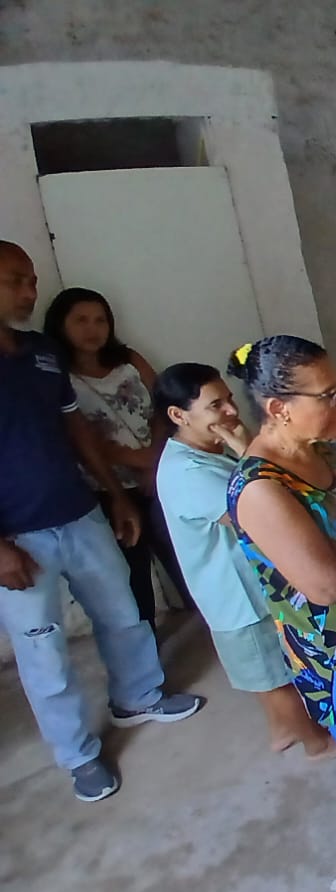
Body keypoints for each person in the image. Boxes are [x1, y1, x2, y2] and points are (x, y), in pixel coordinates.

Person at [0, 240, 204, 803]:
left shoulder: (41, 353)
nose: (28, 291)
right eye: (15, 280)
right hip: (18, 535)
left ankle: (139, 696)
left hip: (79, 511)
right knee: (43, 652)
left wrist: (114, 496)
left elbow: (77, 430)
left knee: (123, 612)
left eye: (31, 279)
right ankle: (78, 756)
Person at [226, 335, 336, 872]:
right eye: (328, 395)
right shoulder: (260, 488)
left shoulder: (328, 451)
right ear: (278, 409)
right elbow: (325, 584)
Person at [154, 362, 335, 757]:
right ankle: (317, 743)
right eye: (216, 405)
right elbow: (256, 513)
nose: (231, 412)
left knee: (269, 671)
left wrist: (243, 447)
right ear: (178, 415)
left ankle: (282, 732)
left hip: (245, 590)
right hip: (237, 600)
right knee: (274, 678)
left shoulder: (204, 450)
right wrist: (245, 448)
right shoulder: (186, 471)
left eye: (230, 399)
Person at [43, 287, 191, 627]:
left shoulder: (128, 359)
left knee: (185, 559)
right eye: (80, 320)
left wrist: (154, 460)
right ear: (60, 324)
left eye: (100, 320)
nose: (92, 329)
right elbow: (72, 435)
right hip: (107, 490)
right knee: (133, 575)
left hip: (158, 476)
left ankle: (221, 636)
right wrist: (133, 459)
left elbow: (163, 407)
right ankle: (148, 660)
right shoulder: (56, 375)